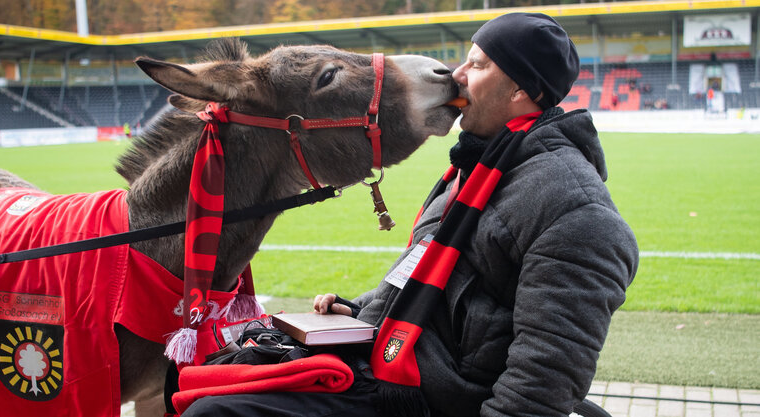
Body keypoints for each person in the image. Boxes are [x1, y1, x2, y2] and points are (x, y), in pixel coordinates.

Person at [180, 12, 638, 417]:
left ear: (522, 89)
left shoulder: (576, 212)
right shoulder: (477, 169)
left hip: (425, 396)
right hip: (390, 363)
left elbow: (546, 376)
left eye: (478, 65)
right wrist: (358, 309)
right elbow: (428, 282)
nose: (457, 75)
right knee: (211, 374)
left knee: (215, 412)